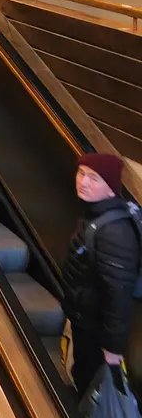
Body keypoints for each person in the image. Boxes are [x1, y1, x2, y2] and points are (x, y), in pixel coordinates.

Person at [62, 154, 140, 398]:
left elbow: (118, 295)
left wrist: (113, 348)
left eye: (94, 178)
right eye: (81, 173)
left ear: (111, 189)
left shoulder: (115, 232)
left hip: (96, 331)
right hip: (84, 318)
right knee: (82, 377)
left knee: (91, 387)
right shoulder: (94, 215)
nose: (83, 181)